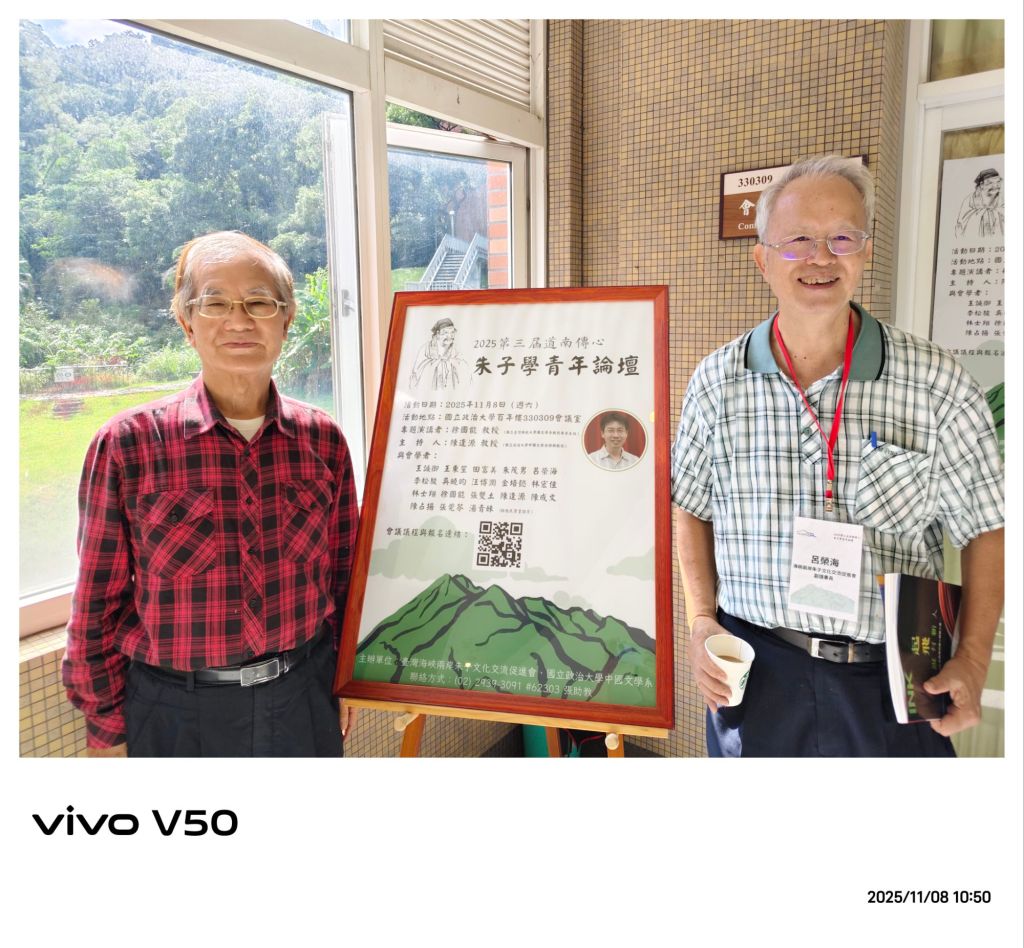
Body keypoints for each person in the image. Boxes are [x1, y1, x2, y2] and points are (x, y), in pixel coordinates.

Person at [671, 155, 1004, 757]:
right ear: (763, 259)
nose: (821, 257)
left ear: (866, 251)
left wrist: (974, 656)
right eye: (797, 240)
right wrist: (700, 622)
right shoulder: (716, 383)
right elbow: (691, 506)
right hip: (756, 676)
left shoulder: (938, 384)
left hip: (892, 680)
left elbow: (986, 527)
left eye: (842, 238)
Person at [63, 231, 359, 757]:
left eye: (260, 303)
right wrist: (105, 726)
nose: (239, 321)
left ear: (287, 319)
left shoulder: (322, 439)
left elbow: (344, 575)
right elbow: (96, 600)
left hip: (304, 694)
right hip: (174, 711)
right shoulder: (129, 444)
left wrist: (346, 678)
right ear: (187, 323)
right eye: (215, 303)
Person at [409, 317, 468, 390]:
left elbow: (465, 372)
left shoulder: (456, 350)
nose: (450, 336)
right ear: (437, 334)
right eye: (446, 333)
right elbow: (416, 373)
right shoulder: (426, 349)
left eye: (452, 332)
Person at [954, 168, 1003, 239]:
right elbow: (961, 223)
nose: (995, 186)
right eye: (990, 183)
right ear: (981, 185)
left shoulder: (1003, 198)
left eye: (998, 182)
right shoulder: (970, 200)